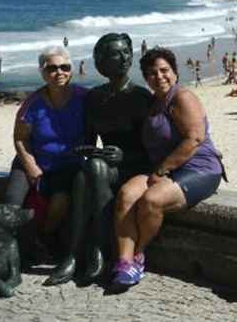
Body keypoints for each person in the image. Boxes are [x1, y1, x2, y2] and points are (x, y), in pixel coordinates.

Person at [111, 47, 225, 289]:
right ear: (146, 78)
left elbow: (194, 138)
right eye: (152, 73)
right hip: (164, 169)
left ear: (175, 73)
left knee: (152, 200)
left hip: (200, 168)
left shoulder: (182, 97)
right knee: (126, 194)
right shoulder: (153, 103)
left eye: (164, 70)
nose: (159, 76)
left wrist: (162, 171)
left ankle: (138, 256)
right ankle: (124, 260)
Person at [45, 33, 152, 286]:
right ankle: (81, 253)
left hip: (134, 168)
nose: (125, 57)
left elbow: (152, 149)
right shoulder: (93, 98)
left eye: (127, 51)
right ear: (102, 61)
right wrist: (89, 152)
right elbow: (90, 143)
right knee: (85, 174)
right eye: (117, 53)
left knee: (90, 172)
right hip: (103, 168)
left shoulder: (141, 97)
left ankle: (92, 249)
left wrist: (125, 155)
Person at [5, 47, 87, 257]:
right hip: (30, 160)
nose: (59, 72)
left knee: (62, 198)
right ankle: (6, 250)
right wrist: (31, 166)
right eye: (52, 68)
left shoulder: (84, 98)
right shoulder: (32, 104)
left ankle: (44, 238)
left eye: (64, 67)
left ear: (71, 70)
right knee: (11, 206)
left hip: (66, 164)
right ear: (43, 72)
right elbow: (20, 138)